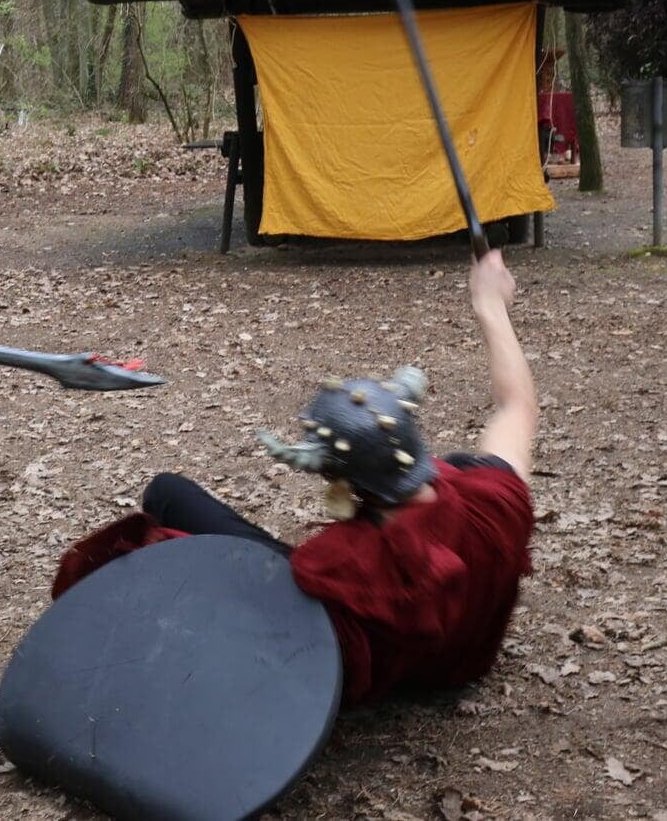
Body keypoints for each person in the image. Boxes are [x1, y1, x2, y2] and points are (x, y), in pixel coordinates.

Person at [58, 249, 536, 706]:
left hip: (377, 672)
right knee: (465, 462)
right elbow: (516, 405)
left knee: (167, 493)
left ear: (341, 482)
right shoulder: (495, 501)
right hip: (461, 665)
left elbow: (284, 638)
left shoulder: (342, 563)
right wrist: (491, 305)